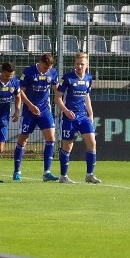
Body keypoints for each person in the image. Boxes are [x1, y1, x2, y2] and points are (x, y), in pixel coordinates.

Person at [54, 52, 100, 184]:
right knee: (67, 146)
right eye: (77, 64)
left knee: (92, 143)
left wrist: (90, 113)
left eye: (82, 64)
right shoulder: (68, 78)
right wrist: (66, 111)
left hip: (83, 117)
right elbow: (57, 98)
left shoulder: (88, 78)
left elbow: (86, 96)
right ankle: (63, 176)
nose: (79, 66)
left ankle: (89, 175)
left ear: (87, 65)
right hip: (70, 117)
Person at [13, 53, 60, 182]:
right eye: (45, 68)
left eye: (49, 68)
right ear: (40, 63)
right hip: (29, 111)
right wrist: (30, 105)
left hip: (44, 110)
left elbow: (57, 90)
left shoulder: (53, 73)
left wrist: (62, 105)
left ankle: (47, 172)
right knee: (23, 140)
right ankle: (17, 171)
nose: (47, 70)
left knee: (51, 138)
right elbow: (20, 91)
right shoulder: (29, 72)